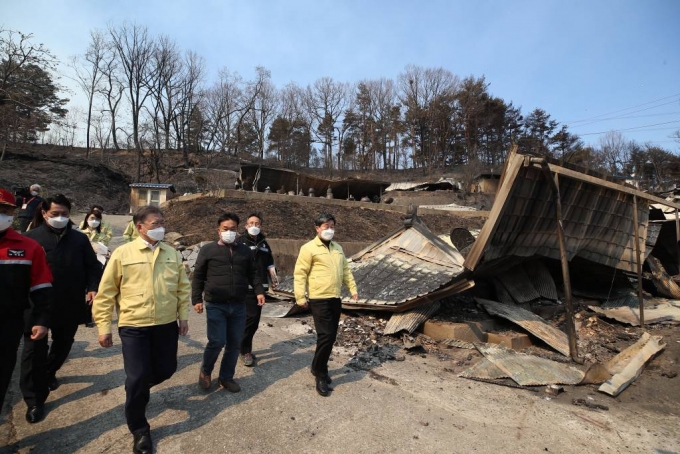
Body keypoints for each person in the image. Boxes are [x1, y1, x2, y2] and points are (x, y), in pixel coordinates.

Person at [93, 205, 190, 454]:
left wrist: (183, 317)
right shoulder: (123, 254)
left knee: (167, 369)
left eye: (162, 223)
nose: (160, 228)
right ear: (139, 227)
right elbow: (106, 294)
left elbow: (182, 288)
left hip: (165, 324)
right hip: (134, 326)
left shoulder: (171, 253)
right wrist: (104, 327)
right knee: (137, 378)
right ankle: (139, 429)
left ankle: (136, 388)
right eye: (154, 224)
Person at [22, 194, 102, 422]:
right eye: (54, 214)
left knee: (64, 342)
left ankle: (49, 372)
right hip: (36, 306)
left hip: (69, 301)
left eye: (64, 214)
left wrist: (93, 287)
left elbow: (93, 267)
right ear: (44, 213)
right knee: (32, 352)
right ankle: (34, 400)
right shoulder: (31, 239)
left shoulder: (79, 240)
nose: (60, 218)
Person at [192, 213, 265, 393]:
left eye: (233, 229)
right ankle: (206, 371)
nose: (229, 232)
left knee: (234, 344)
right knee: (216, 341)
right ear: (219, 231)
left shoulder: (245, 251)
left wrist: (259, 291)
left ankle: (226, 377)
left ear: (238, 230)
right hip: (216, 304)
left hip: (239, 305)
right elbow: (198, 276)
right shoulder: (208, 250)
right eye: (226, 229)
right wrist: (196, 299)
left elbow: (253, 273)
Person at [0, 188, 53, 420]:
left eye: (4, 211)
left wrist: (41, 321)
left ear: (13, 213)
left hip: (7, 324)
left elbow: (41, 287)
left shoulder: (28, 247)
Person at [293, 213, 358, 397]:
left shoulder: (338, 248)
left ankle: (316, 366)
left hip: (335, 298)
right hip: (318, 298)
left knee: (330, 336)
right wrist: (300, 297)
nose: (329, 229)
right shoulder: (309, 248)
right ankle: (320, 373)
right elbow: (300, 273)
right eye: (325, 226)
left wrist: (352, 288)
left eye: (332, 226)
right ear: (317, 228)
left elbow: (345, 270)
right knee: (326, 336)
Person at [237, 213, 278, 367]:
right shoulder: (240, 242)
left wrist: (274, 279)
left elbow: (270, 263)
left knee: (253, 321)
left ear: (261, 226)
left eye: (257, 223)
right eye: (251, 223)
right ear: (246, 225)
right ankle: (244, 350)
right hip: (245, 288)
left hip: (261, 288)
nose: (254, 226)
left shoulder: (264, 244)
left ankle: (240, 346)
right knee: (250, 320)